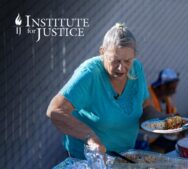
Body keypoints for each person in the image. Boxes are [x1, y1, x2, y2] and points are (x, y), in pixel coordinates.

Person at [46, 23, 159, 159]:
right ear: (102, 52)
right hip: (88, 159)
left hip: (125, 157)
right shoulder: (89, 73)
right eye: (115, 61)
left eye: (127, 61)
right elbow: (55, 111)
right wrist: (90, 137)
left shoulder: (137, 68)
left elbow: (146, 106)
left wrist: (164, 122)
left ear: (134, 56)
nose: (121, 68)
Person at [137, 68, 180, 153]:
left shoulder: (165, 95)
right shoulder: (147, 96)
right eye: (172, 88)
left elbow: (173, 112)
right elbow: (149, 117)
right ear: (163, 86)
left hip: (159, 133)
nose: (174, 91)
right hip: (147, 137)